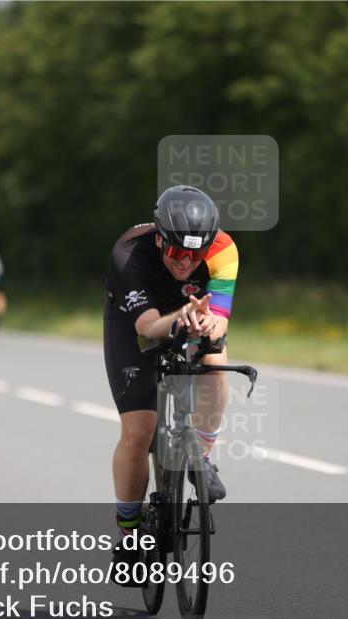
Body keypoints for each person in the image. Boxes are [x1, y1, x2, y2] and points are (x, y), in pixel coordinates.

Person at [104, 185, 239, 567]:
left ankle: (204, 454)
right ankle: (128, 533)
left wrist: (207, 324)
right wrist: (180, 319)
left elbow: (219, 318)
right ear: (161, 239)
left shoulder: (224, 250)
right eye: (178, 252)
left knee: (216, 357)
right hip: (135, 322)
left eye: (196, 255)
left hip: (190, 313)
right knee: (138, 433)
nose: (186, 263)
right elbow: (147, 327)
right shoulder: (128, 254)